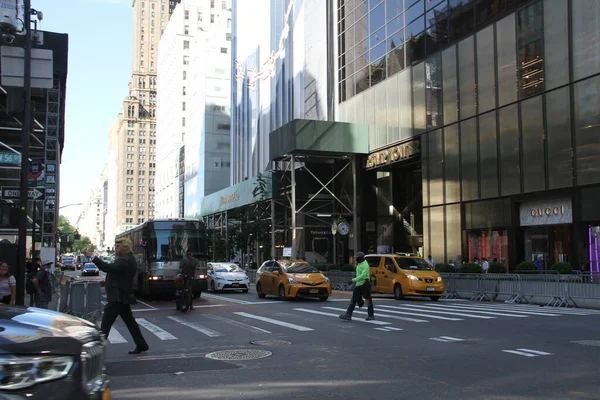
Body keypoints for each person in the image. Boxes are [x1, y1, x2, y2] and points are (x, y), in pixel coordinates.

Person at [85, 238, 149, 355]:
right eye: (116, 245)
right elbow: (118, 275)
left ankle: (97, 351)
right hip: (121, 296)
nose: (116, 248)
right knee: (130, 323)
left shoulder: (125, 260)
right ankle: (141, 344)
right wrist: (107, 282)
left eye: (119, 246)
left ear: (125, 247)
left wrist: (93, 257)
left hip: (118, 297)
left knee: (105, 324)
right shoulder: (126, 259)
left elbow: (107, 268)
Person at [339, 252, 375, 321]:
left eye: (357, 258)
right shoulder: (358, 264)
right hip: (358, 284)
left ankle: (371, 315)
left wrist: (353, 280)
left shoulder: (365, 265)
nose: (356, 259)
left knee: (368, 300)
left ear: (361, 258)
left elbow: (363, 275)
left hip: (364, 284)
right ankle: (348, 314)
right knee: (353, 299)